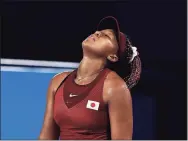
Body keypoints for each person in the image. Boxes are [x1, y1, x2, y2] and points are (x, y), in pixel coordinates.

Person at [39, 16, 141, 140]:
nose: (97, 33)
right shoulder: (58, 81)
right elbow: (46, 137)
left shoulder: (114, 87)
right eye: (99, 31)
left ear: (113, 56)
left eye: (106, 36)